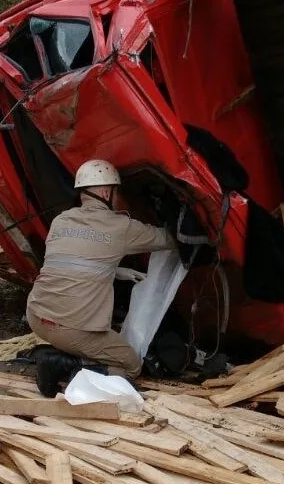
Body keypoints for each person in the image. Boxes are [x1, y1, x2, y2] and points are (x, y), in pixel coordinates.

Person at [26, 159, 176, 396]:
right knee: (130, 363)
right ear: (107, 192)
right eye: (116, 192)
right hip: (72, 330)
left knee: (81, 338)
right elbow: (167, 239)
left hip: (36, 316)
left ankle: (61, 354)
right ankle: (66, 366)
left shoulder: (60, 221)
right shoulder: (120, 226)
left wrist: (115, 270)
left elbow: (70, 261)